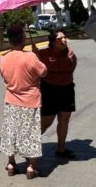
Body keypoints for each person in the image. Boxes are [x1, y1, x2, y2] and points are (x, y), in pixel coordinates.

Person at [0, 25, 48, 179]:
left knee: (11, 132)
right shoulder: (31, 57)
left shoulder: (4, 58)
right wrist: (37, 55)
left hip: (11, 101)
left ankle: (11, 163)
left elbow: (4, 76)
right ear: (23, 39)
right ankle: (31, 167)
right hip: (30, 101)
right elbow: (44, 72)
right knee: (30, 134)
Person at [32, 29, 77, 159]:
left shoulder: (69, 52)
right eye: (60, 38)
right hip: (49, 90)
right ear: (52, 42)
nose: (64, 40)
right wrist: (34, 55)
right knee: (46, 122)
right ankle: (29, 144)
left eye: (65, 37)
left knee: (64, 119)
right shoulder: (43, 53)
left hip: (67, 89)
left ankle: (61, 149)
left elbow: (73, 66)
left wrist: (70, 64)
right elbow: (36, 70)